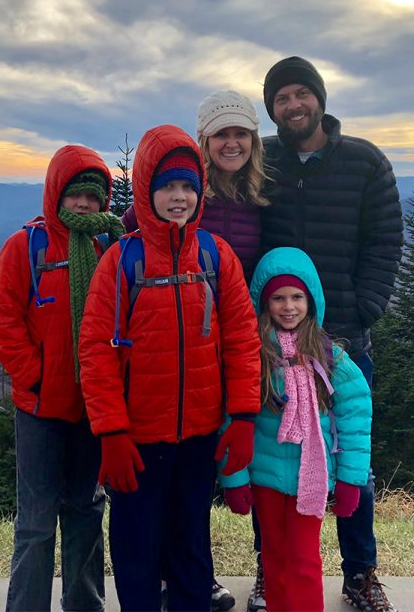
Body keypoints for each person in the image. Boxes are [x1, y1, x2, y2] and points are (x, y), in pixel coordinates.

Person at [78, 124, 262, 612]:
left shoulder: (214, 255)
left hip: (199, 435)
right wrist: (111, 431)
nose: (178, 197)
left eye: (187, 186)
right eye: (166, 186)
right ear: (146, 190)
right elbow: (96, 351)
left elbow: (242, 341)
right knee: (137, 552)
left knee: (191, 547)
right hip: (137, 440)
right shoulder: (122, 261)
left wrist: (243, 417)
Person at [259, 56, 403, 612]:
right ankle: (273, 571)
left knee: (352, 461)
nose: (293, 106)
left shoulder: (364, 162)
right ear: (271, 109)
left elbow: (384, 243)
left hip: (341, 337)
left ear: (320, 97)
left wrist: (363, 308)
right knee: (274, 457)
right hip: (274, 343)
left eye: (301, 94)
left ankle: (360, 572)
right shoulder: (262, 161)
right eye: (281, 99)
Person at [0, 144, 125, 612]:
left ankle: (85, 606)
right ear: (55, 195)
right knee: (37, 523)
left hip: (93, 409)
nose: (84, 205)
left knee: (86, 514)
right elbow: (2, 321)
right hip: (41, 411)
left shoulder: (108, 246)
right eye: (74, 195)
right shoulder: (26, 247)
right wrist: (38, 377)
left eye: (92, 196)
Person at [220, 247, 372, 612]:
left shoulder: (329, 356)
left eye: (297, 297)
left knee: (304, 560)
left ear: (312, 300)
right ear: (263, 302)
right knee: (273, 556)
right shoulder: (252, 356)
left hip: (312, 479)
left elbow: (355, 421)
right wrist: (234, 478)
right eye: (278, 298)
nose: (288, 306)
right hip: (266, 477)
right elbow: (233, 418)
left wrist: (352, 480)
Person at [123, 89, 267, 281]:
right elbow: (124, 232)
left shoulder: (262, 194)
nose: (232, 144)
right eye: (221, 134)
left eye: (241, 133)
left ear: (253, 140)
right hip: (188, 306)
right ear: (205, 141)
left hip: (243, 307)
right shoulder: (184, 193)